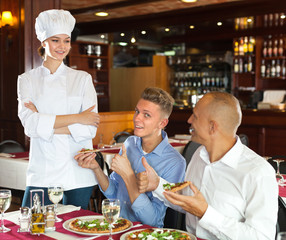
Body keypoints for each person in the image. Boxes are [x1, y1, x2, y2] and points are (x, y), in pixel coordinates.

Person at [137, 91, 278, 240]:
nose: (189, 120)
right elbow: (187, 201)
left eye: (195, 116)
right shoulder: (199, 154)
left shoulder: (258, 172)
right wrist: (157, 184)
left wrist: (205, 213)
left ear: (212, 127)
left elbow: (262, 237)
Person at [17, 9, 100, 209]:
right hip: (42, 169)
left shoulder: (82, 79)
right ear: (43, 42)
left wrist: (44, 122)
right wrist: (78, 117)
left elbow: (90, 128)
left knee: (75, 231)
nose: (62, 46)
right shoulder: (26, 80)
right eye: (55, 40)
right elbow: (30, 127)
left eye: (66, 40)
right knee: (33, 226)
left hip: (78, 169)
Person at [75, 87, 186, 227]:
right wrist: (96, 169)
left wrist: (128, 175)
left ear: (162, 123)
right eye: (137, 111)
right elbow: (114, 193)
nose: (137, 118)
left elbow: (152, 220)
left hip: (144, 234)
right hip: (116, 226)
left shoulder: (175, 162)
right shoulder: (129, 143)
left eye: (146, 115)